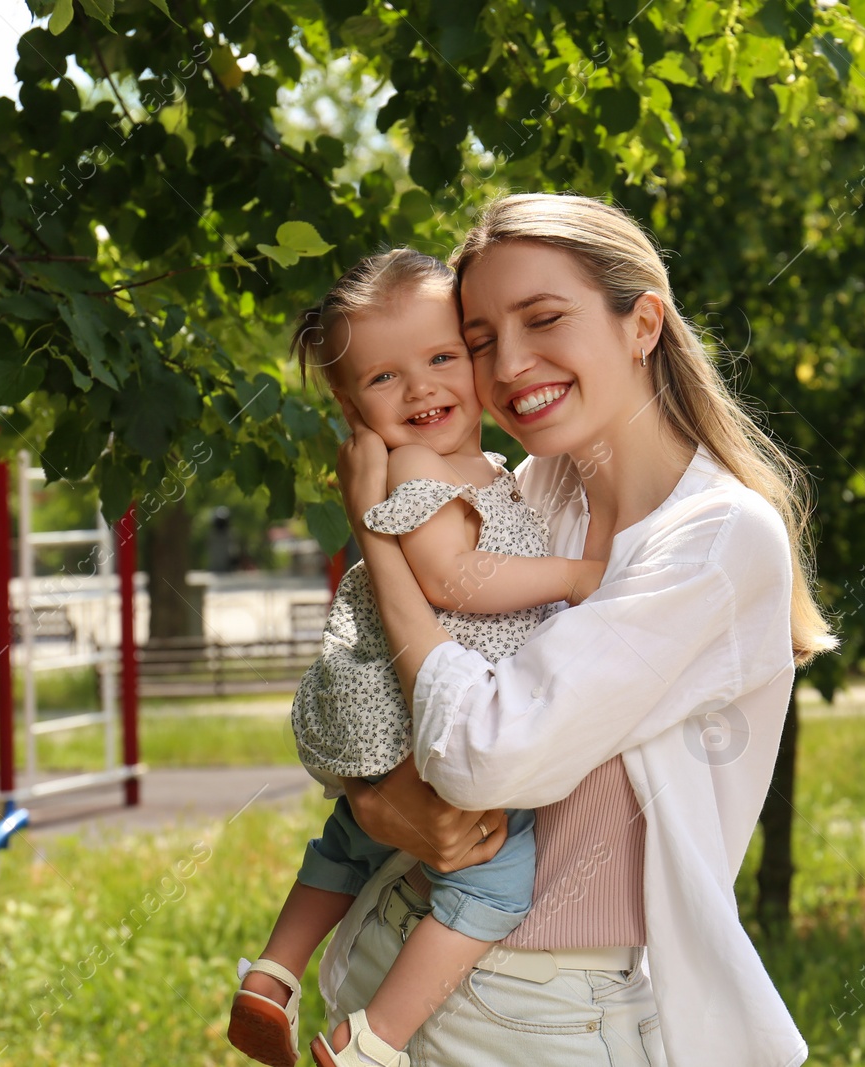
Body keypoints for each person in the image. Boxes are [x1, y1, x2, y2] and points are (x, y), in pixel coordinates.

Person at [320, 193, 840, 1066]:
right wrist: (376, 804)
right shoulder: (534, 493)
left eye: (544, 318)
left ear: (642, 323)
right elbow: (370, 693)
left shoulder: (715, 538)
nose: (510, 363)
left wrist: (379, 531)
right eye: (479, 340)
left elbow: (483, 753)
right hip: (395, 952)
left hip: (543, 1012)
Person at [228, 248, 607, 1067]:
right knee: (493, 880)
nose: (423, 388)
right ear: (350, 404)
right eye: (385, 379)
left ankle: (272, 974)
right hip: (426, 705)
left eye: (442, 358)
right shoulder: (418, 467)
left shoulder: (484, 469)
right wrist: (575, 575)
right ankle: (373, 1039)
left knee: (349, 841)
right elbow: (452, 577)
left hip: (396, 712)